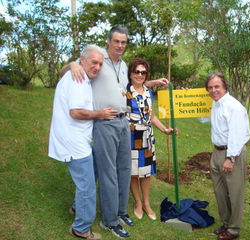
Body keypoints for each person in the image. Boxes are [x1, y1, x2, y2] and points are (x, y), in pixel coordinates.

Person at [65, 25, 169, 238]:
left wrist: (153, 82)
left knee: (124, 169)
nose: (120, 45)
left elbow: (134, 86)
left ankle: (120, 211)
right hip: (105, 122)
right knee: (108, 174)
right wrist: (71, 65)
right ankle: (109, 221)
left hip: (125, 124)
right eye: (117, 41)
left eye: (123, 42)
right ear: (108, 41)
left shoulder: (122, 65)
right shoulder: (97, 58)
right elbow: (70, 69)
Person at [48, 45, 109, 239]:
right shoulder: (78, 79)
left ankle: (77, 208)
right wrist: (100, 114)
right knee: (88, 187)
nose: (97, 67)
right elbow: (75, 112)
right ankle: (81, 228)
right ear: (83, 60)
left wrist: (72, 64)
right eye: (94, 62)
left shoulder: (79, 73)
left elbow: (63, 70)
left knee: (94, 170)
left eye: (100, 63)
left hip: (80, 140)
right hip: (73, 142)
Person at [126, 58, 177, 221]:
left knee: (146, 173)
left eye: (143, 72)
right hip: (131, 137)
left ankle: (147, 204)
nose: (139, 75)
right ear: (130, 73)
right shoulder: (124, 91)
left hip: (147, 138)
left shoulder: (148, 93)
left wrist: (165, 130)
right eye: (136, 71)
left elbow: (152, 116)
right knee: (133, 173)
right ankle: (138, 203)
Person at [205, 73, 250, 240]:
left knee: (234, 192)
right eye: (210, 87)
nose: (213, 90)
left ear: (224, 86)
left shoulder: (233, 106)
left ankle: (233, 229)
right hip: (217, 152)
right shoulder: (215, 104)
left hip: (233, 152)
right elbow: (203, 118)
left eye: (217, 86)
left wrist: (230, 158)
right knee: (220, 192)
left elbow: (237, 134)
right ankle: (225, 223)